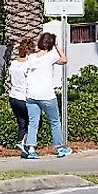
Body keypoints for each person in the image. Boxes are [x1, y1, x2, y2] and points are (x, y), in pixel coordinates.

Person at [36, 28, 71, 158]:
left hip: (32, 95)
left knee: (33, 122)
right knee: (55, 122)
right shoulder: (51, 56)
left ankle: (31, 147)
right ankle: (59, 147)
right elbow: (64, 60)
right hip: (47, 95)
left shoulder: (33, 56)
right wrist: (57, 46)